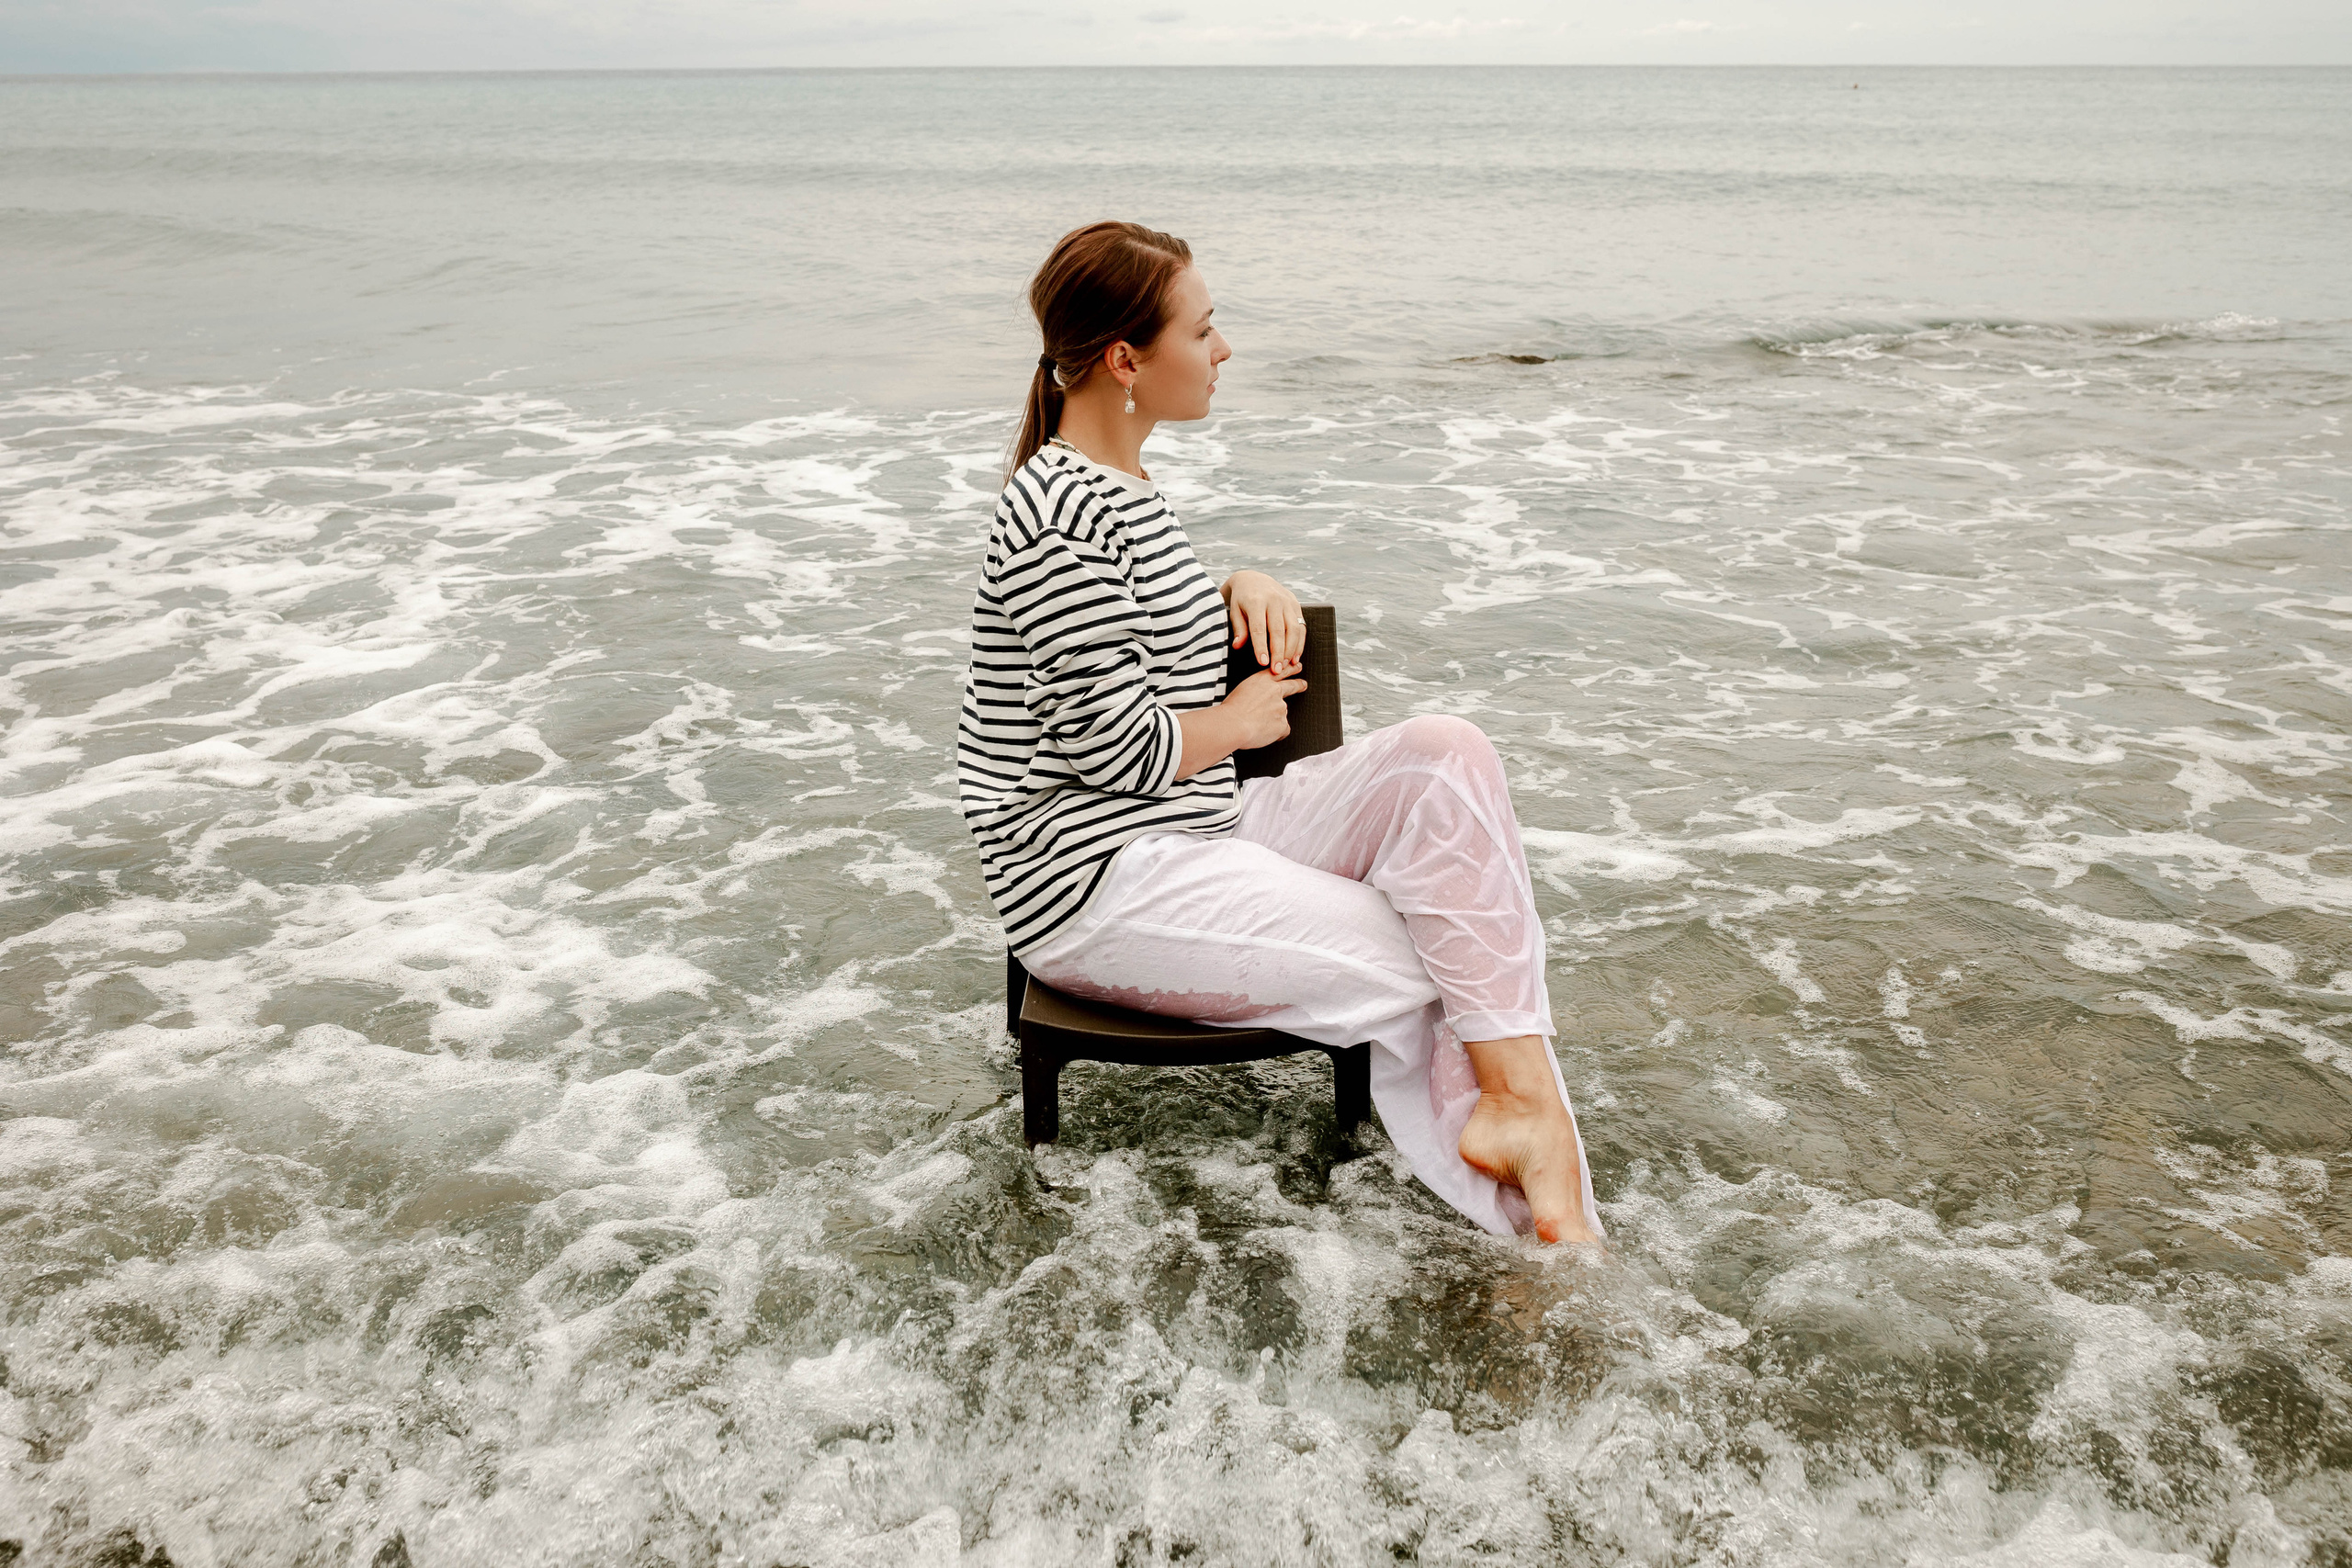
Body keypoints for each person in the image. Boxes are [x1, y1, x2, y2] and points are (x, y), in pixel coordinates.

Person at [956, 220, 1602, 1244]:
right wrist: (1237, 719)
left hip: (1198, 822)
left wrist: (1236, 586)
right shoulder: (1055, 513)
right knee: (1442, 964)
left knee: (1447, 755)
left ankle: (1516, 1120)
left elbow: (1113, 629)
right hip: (1101, 878)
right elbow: (1102, 748)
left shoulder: (1115, 489)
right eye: (1202, 331)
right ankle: (1540, 1226)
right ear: (1126, 361)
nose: (1223, 350)